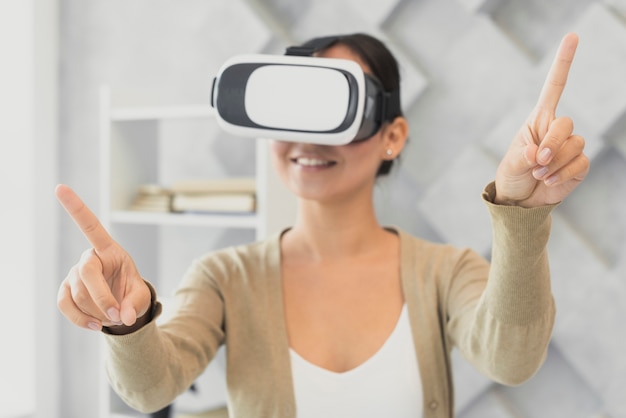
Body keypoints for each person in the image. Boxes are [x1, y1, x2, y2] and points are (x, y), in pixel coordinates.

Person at [56, 33, 589, 418]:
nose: (307, 139)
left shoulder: (445, 273)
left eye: (332, 107)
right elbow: (150, 389)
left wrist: (521, 215)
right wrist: (128, 318)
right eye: (291, 110)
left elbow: (511, 359)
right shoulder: (224, 278)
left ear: (392, 135)